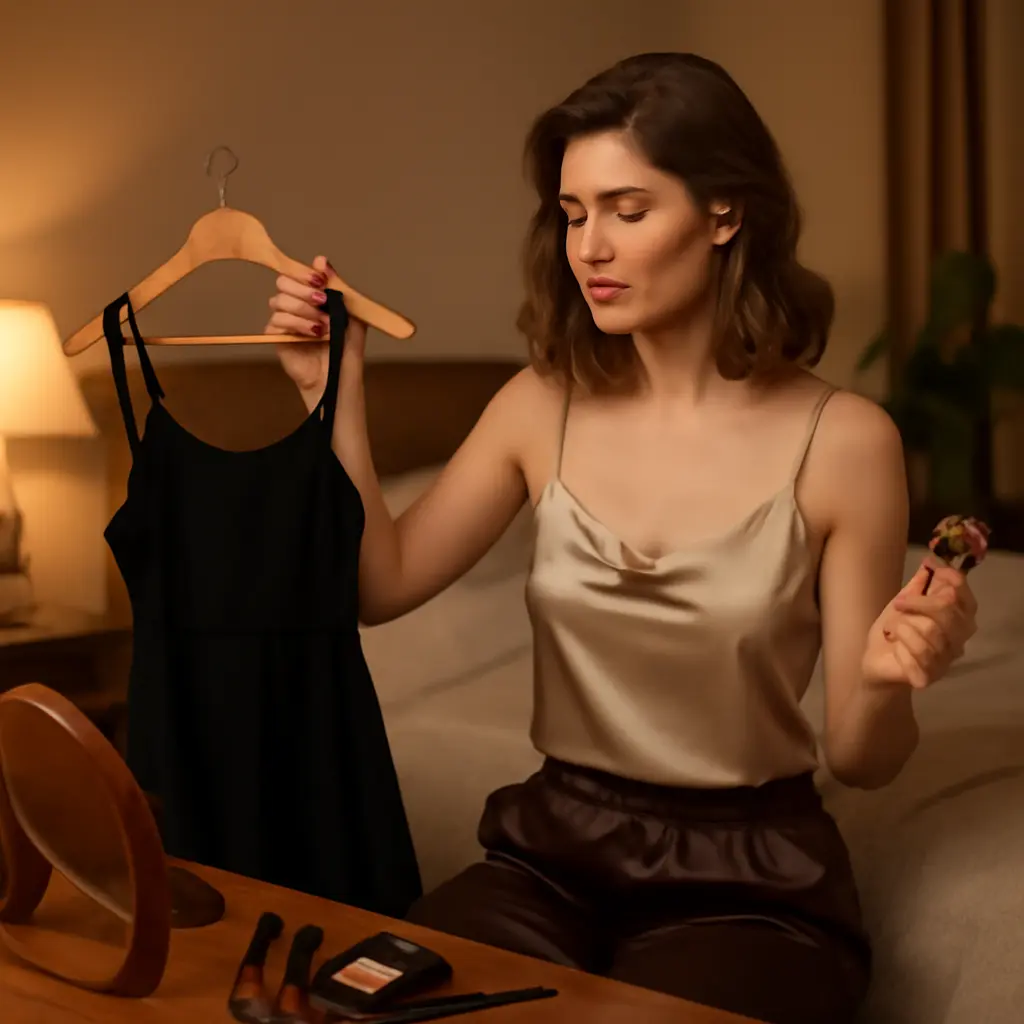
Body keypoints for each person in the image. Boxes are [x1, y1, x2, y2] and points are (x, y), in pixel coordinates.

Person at [263, 52, 978, 1024]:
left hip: (750, 888)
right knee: (345, 1007)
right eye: (572, 214)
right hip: (547, 857)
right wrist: (331, 394)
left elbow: (859, 755)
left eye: (627, 211)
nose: (589, 247)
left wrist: (894, 674)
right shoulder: (536, 404)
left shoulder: (845, 440)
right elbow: (375, 585)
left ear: (724, 213)